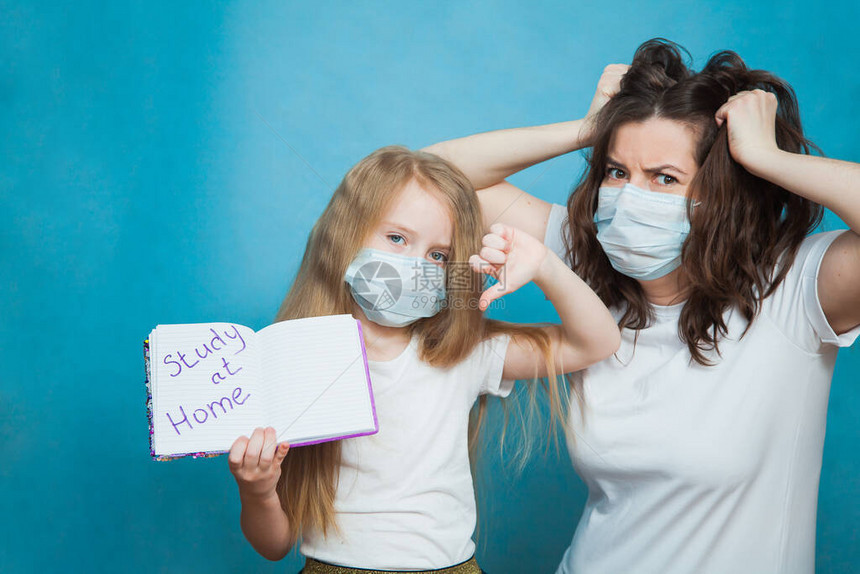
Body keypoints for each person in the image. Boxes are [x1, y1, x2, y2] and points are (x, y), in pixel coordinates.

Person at [426, 39, 860, 574]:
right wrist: (588, 128)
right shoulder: (587, 261)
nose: (629, 198)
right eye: (616, 172)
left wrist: (766, 157)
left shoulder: (794, 285)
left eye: (664, 178)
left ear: (724, 192)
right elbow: (433, 176)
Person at [226, 146, 621, 573]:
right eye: (396, 238)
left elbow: (596, 342)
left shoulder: (464, 353)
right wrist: (258, 490)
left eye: (437, 255)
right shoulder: (298, 362)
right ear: (344, 234)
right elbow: (274, 544)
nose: (416, 265)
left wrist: (544, 265)